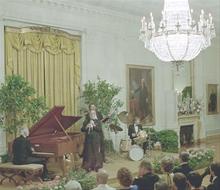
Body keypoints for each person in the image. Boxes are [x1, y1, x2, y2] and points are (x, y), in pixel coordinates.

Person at [81, 104, 104, 172]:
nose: (92, 115)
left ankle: (96, 166)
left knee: (96, 152)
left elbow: (99, 129)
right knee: (88, 153)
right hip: (88, 139)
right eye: (91, 114)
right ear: (89, 115)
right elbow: (82, 129)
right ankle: (88, 166)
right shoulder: (86, 121)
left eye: (93, 114)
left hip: (96, 139)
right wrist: (86, 127)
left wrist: (94, 126)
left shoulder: (98, 122)